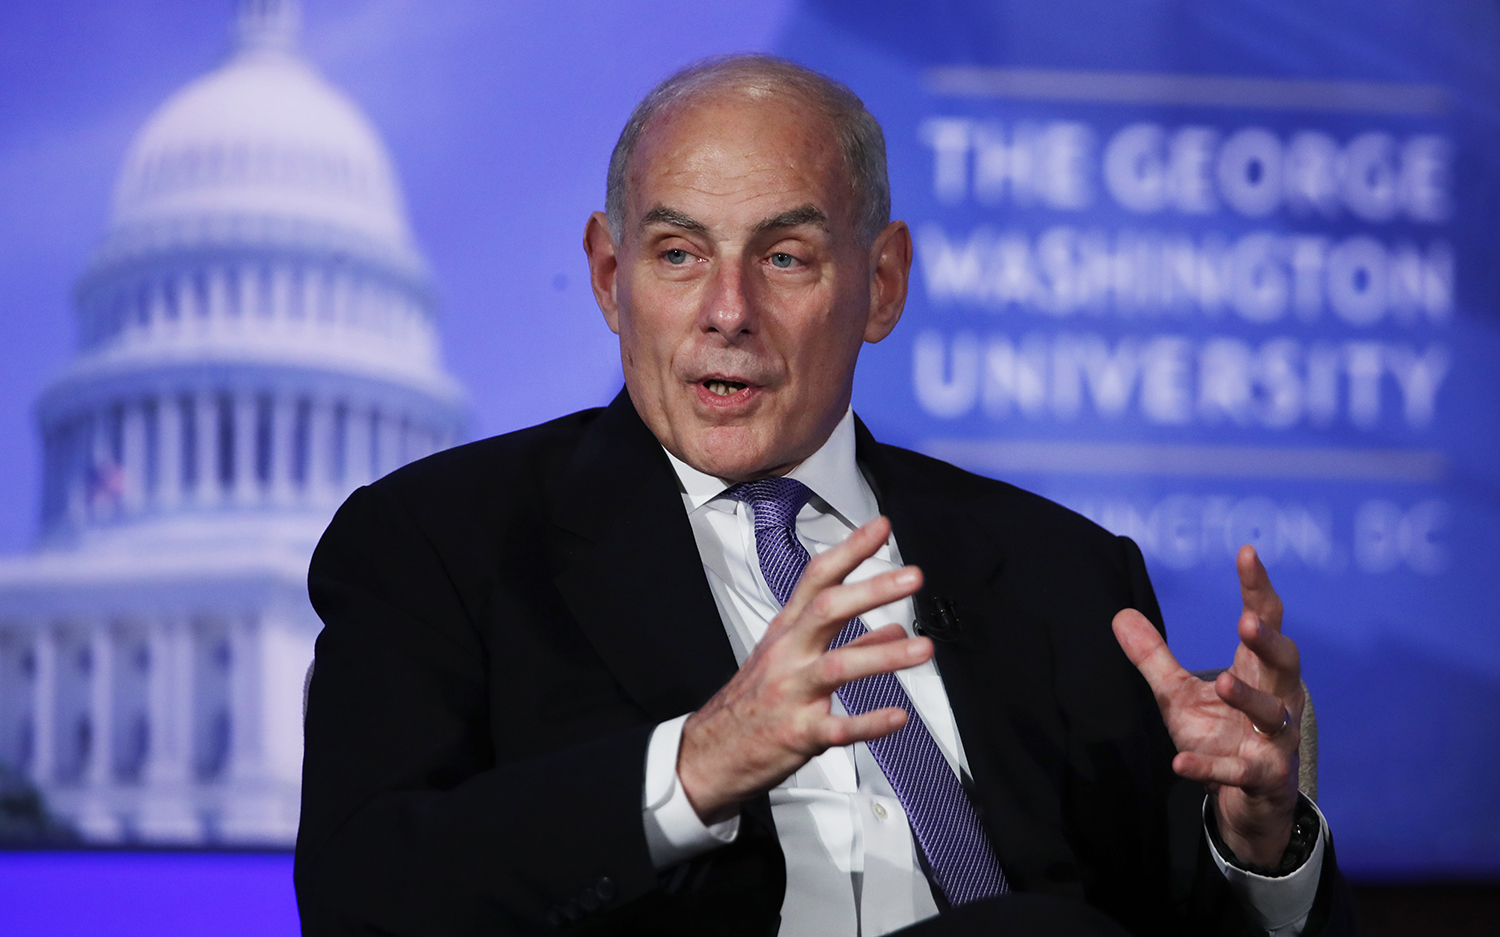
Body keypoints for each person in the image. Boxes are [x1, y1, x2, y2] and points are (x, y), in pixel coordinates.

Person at [294, 55, 1355, 936]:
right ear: (610, 277)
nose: (728, 310)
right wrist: (697, 763)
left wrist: (1259, 846)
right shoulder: (441, 543)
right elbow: (362, 894)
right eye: (678, 254)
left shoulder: (1065, 576)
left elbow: (1165, 916)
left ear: (881, 284)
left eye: (786, 256)